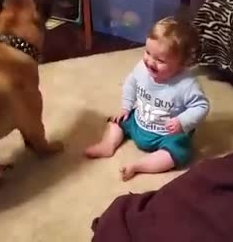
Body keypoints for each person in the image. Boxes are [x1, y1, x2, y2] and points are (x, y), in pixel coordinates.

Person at [85, 16, 210, 181]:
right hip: (139, 120)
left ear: (182, 64)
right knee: (117, 121)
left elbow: (201, 106)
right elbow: (130, 83)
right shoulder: (142, 68)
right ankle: (108, 145)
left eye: (160, 60)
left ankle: (138, 166)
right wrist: (126, 107)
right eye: (148, 52)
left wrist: (182, 121)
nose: (150, 61)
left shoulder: (187, 85)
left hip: (166, 134)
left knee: (179, 151)